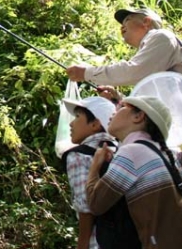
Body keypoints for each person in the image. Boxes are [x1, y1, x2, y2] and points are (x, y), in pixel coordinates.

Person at [86, 96, 182, 249]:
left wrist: (95, 165)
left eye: (121, 107)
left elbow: (96, 203)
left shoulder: (130, 153)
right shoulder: (167, 154)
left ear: (138, 117)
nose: (114, 112)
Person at [65, 7, 182, 100]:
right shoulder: (150, 51)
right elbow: (150, 105)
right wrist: (118, 98)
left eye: (127, 20)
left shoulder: (161, 37)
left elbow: (133, 71)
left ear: (146, 22)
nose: (122, 26)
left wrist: (86, 73)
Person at [61, 97, 118, 249]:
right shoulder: (120, 150)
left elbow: (86, 206)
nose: (71, 123)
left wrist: (82, 244)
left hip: (98, 241)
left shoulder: (78, 156)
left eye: (77, 116)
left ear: (95, 124)